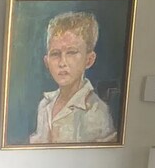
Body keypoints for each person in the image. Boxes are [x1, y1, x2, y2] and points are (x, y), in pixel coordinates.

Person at [29, 11, 116, 144]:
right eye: (55, 54)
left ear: (89, 60)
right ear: (47, 61)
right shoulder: (45, 105)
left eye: (71, 52)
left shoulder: (95, 111)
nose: (62, 63)